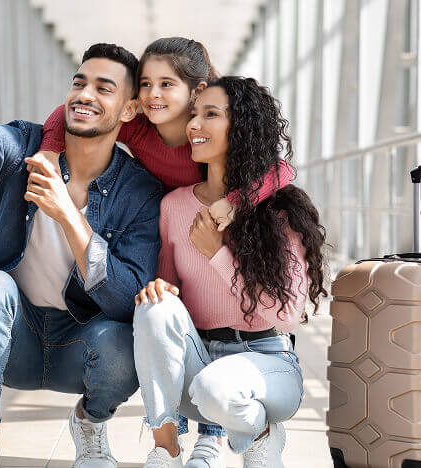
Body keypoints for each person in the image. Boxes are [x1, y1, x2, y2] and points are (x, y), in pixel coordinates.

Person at [0, 41, 163, 468]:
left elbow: (124, 295)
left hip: (83, 341)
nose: (85, 95)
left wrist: (68, 215)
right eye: (79, 83)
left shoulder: (140, 191)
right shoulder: (26, 148)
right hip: (14, 339)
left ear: (129, 110)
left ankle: (91, 425)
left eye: (103, 88)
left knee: (124, 342)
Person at [132, 76, 328, 468]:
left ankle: (261, 431)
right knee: (153, 306)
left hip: (266, 361)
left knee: (214, 389)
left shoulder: (280, 212)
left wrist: (218, 254)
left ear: (241, 128)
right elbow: (171, 289)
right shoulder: (173, 206)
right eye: (194, 115)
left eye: (211, 115)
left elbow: (287, 315)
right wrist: (157, 289)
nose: (194, 126)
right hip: (199, 359)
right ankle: (166, 450)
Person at [39, 37, 294, 230]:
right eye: (146, 84)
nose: (153, 94)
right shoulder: (135, 128)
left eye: (166, 84)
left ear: (197, 90)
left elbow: (282, 169)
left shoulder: (210, 136)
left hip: (213, 222)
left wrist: (234, 202)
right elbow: (67, 111)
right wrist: (49, 153)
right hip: (159, 222)